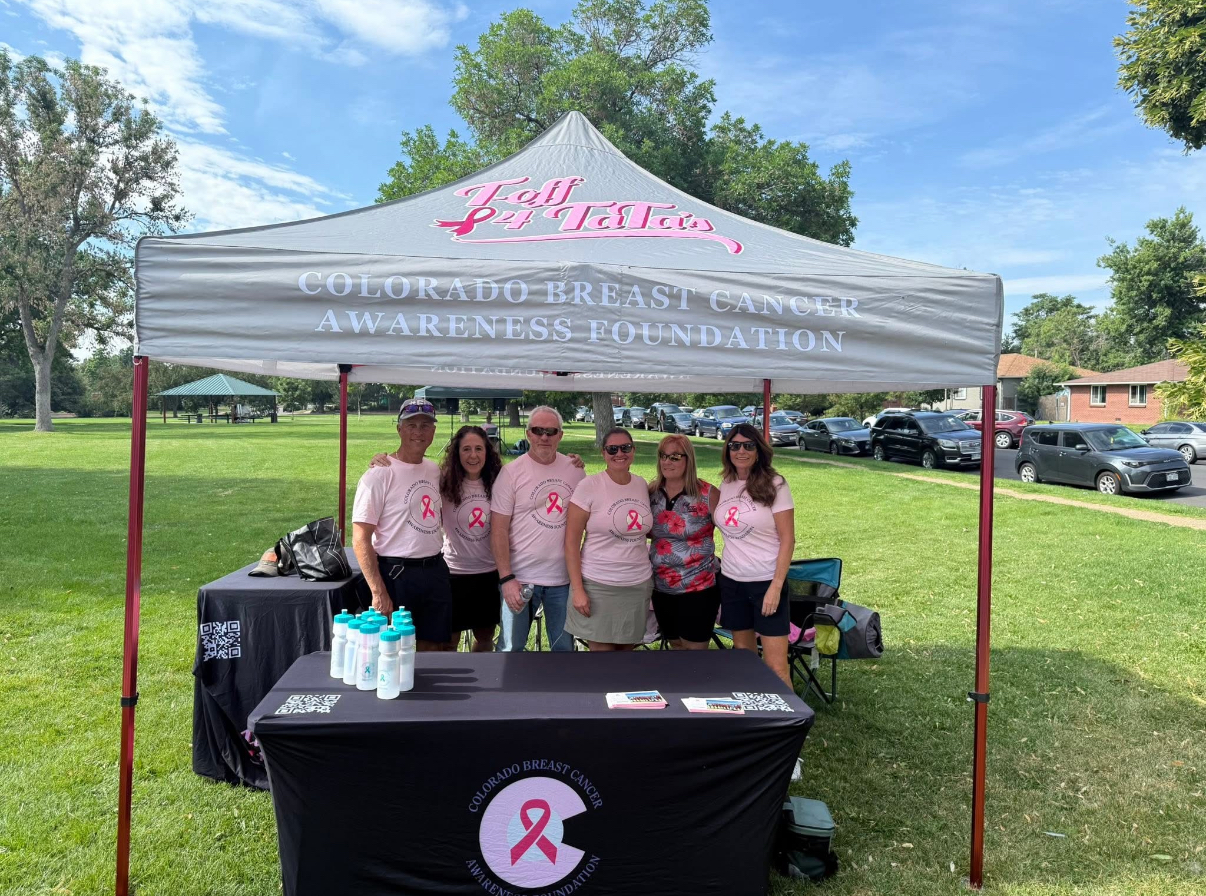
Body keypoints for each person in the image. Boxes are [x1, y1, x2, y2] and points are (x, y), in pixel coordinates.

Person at [352, 399, 451, 653]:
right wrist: (378, 591)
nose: (419, 432)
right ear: (399, 429)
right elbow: (360, 537)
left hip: (434, 570)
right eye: (412, 425)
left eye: (426, 425)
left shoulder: (433, 470)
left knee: (435, 645)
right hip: (395, 573)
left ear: (434, 431)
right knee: (391, 650)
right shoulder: (378, 474)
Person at [491, 406, 586, 651]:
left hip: (562, 580)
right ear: (528, 433)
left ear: (560, 435)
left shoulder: (575, 471)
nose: (544, 437)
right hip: (520, 579)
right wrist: (507, 578)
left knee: (563, 648)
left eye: (551, 431)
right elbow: (498, 530)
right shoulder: (510, 473)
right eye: (538, 431)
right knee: (511, 649)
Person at [714, 423, 795, 685]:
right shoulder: (725, 483)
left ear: (758, 451)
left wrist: (776, 586)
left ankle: (790, 724)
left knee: (776, 666)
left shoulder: (776, 484)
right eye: (734, 445)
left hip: (766, 582)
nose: (741, 451)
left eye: (748, 446)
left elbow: (788, 540)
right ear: (727, 450)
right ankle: (755, 718)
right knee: (744, 660)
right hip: (732, 581)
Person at [564, 428, 654, 651]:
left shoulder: (641, 485)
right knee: (602, 663)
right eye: (612, 449)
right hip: (598, 585)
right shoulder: (589, 486)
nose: (619, 453)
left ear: (633, 450)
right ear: (603, 453)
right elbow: (571, 544)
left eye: (625, 448)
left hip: (637, 585)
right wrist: (578, 590)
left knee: (626, 660)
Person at [648, 434, 720, 650]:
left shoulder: (707, 494)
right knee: (676, 647)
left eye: (675, 457)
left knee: (695, 654)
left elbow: (732, 530)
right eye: (663, 456)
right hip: (661, 588)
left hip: (698, 587)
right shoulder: (651, 493)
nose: (667, 462)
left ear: (688, 460)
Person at [438, 426, 503, 651]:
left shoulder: (500, 482)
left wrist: (572, 461)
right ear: (456, 453)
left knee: (485, 639)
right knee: (449, 642)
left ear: (487, 452)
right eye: (466, 449)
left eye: (478, 449)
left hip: (489, 574)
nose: (473, 455)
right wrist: (384, 459)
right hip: (454, 574)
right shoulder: (442, 483)